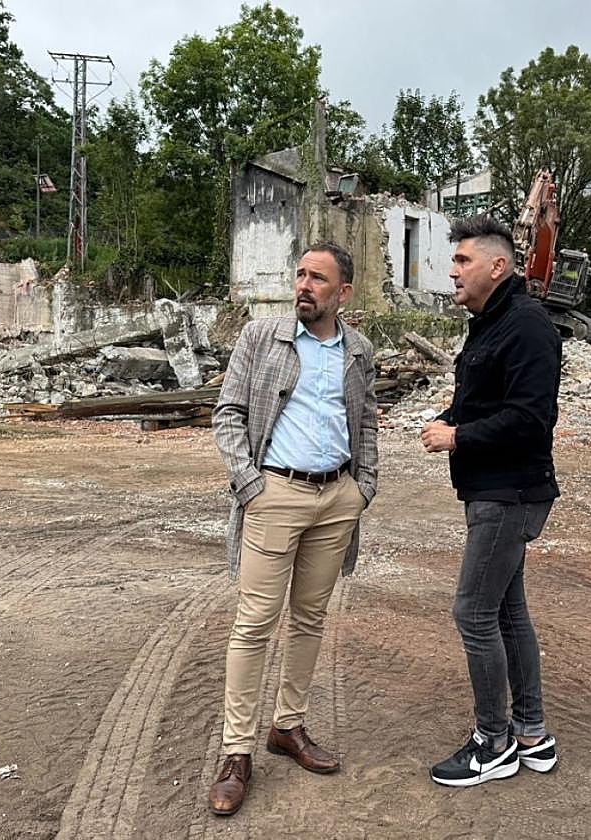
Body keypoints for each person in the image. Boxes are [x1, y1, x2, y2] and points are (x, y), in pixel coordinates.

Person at [208, 242, 378, 816]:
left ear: (343, 292)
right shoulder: (261, 337)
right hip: (275, 493)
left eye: (318, 278)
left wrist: (363, 487)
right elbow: (228, 412)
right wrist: (248, 483)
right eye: (300, 274)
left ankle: (288, 726)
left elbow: (366, 421)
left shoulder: (358, 349)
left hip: (337, 498)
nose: (304, 285)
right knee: (254, 623)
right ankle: (236, 752)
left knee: (309, 617)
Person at [421, 215, 561, 787]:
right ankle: (531, 733)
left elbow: (530, 418)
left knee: (473, 611)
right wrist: (448, 418)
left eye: (463, 260)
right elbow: (483, 401)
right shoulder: (490, 323)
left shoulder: (526, 325)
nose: (452, 271)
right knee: (506, 610)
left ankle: (492, 742)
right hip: (492, 489)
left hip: (509, 493)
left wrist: (457, 436)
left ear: (497, 266)